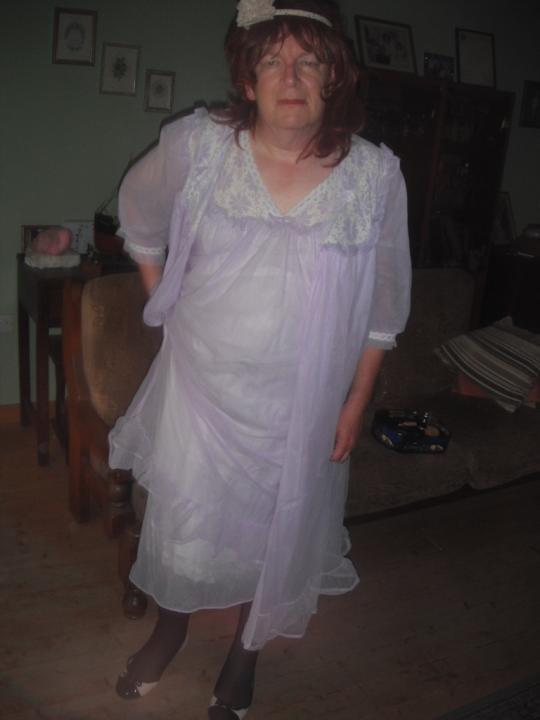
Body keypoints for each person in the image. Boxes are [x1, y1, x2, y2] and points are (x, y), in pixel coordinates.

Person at [108, 1, 411, 717]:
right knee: (184, 535)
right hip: (201, 393)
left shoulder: (375, 176)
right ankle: (169, 632)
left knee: (274, 538)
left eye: (309, 60)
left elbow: (384, 309)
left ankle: (243, 660)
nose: (291, 76)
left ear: (334, 77)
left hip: (299, 408)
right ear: (247, 80)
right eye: (272, 60)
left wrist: (356, 401)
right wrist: (166, 308)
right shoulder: (201, 145)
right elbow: (139, 216)